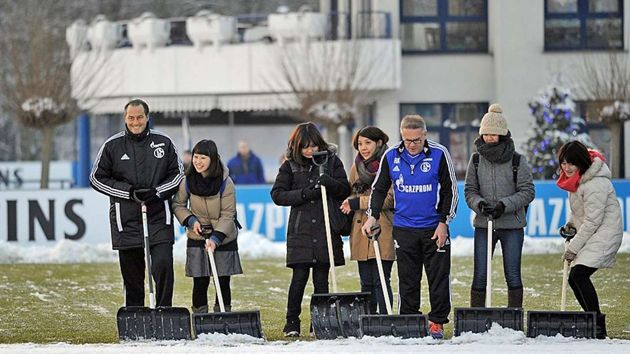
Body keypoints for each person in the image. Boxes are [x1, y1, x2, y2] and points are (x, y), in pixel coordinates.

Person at [361, 114, 458, 339]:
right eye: (407, 140)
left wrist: (444, 222)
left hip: (434, 228)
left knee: (438, 278)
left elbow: (450, 190)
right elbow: (379, 188)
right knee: (407, 279)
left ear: (425, 135)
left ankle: (437, 322)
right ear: (402, 136)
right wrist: (372, 216)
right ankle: (410, 320)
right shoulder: (391, 155)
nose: (412, 145)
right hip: (403, 228)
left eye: (417, 140)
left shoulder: (440, 153)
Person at [90, 98, 184, 307]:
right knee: (132, 276)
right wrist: (129, 192)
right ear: (125, 118)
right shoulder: (112, 145)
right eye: (131, 118)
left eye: (139, 117)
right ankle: (135, 315)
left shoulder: (164, 142)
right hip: (127, 221)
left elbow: (178, 175)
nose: (135, 122)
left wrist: (156, 192)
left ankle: (163, 311)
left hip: (159, 217)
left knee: (163, 265)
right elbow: (96, 178)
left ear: (147, 117)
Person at [271, 122, 351, 337]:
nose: (309, 150)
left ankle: (320, 321)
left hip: (325, 228)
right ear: (297, 146)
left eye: (313, 146)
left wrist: (330, 183)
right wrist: (306, 193)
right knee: (298, 278)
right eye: (304, 146)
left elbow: (345, 188)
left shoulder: (331, 161)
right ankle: (292, 322)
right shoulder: (290, 165)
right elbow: (277, 194)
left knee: (321, 279)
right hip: (301, 230)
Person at [464, 104, 535, 309]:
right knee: (480, 274)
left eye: (494, 134)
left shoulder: (517, 160)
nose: (489, 138)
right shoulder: (476, 159)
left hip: (511, 225)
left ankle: (514, 314)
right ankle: (476, 316)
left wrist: (505, 205)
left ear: (503, 135)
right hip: (484, 225)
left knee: (512, 273)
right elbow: (470, 190)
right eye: (486, 134)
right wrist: (480, 204)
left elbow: (528, 191)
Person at [556, 140, 623, 339]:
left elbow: (593, 221)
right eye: (563, 163)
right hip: (594, 232)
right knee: (575, 278)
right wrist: (570, 225)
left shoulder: (595, 183)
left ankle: (598, 326)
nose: (566, 168)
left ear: (581, 162)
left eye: (571, 163)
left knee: (578, 276)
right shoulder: (578, 179)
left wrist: (573, 248)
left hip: (605, 233)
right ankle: (593, 322)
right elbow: (581, 214)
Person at [172, 139, 242, 314]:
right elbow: (178, 205)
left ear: (213, 159)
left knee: (222, 281)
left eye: (203, 157)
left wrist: (216, 238)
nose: (198, 161)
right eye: (196, 157)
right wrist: (191, 220)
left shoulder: (226, 183)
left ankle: (222, 316)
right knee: (200, 281)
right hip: (198, 235)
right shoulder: (187, 180)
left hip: (223, 237)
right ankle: (200, 316)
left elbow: (228, 214)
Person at [340, 126, 395, 314]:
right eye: (360, 144)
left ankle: (385, 318)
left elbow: (390, 198)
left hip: (383, 225)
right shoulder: (356, 166)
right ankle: (368, 319)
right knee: (366, 281)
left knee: (381, 278)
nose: (363, 148)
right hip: (360, 228)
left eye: (368, 143)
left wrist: (358, 202)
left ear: (379, 143)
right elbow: (350, 192)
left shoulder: (390, 162)